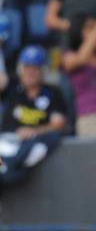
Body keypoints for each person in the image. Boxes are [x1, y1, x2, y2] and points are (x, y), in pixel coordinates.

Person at [0, 45, 66, 185]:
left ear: (43, 70)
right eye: (26, 67)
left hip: (30, 147)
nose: (30, 72)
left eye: (35, 68)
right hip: (6, 142)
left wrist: (34, 131)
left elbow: (58, 124)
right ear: (20, 69)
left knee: (32, 150)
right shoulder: (12, 88)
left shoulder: (52, 93)